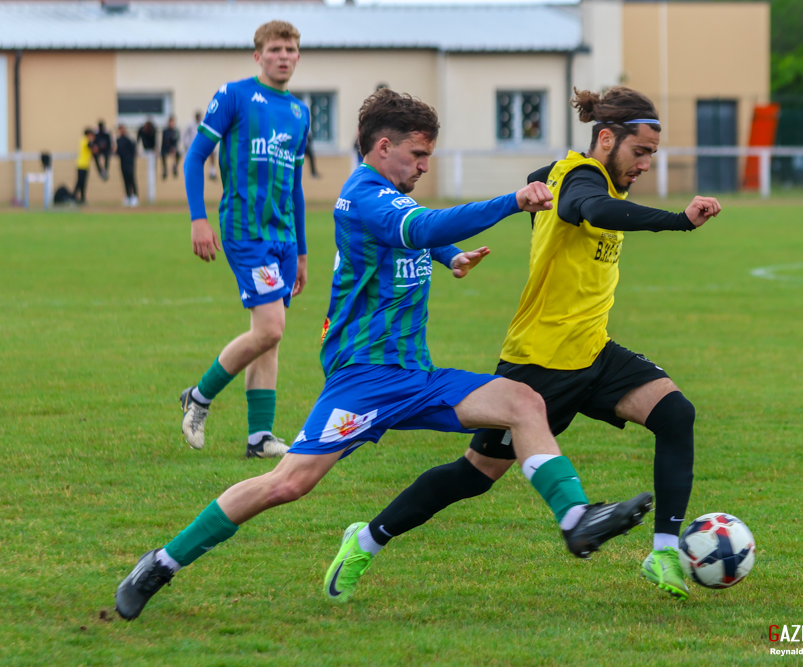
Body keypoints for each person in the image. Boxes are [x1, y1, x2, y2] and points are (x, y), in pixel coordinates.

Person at [114, 87, 652, 620]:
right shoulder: (362, 196)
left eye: (428, 156)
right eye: (417, 155)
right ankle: (161, 562)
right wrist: (511, 202)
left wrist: (450, 258)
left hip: (415, 375)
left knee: (524, 402)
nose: (423, 166)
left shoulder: (391, 191)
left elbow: (417, 228)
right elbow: (416, 225)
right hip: (364, 379)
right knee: (288, 484)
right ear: (381, 149)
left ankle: (575, 518)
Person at [334, 86, 722, 603]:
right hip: (538, 360)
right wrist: (677, 220)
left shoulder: (576, 174)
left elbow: (550, 181)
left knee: (676, 413)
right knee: (473, 476)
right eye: (640, 151)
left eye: (653, 153)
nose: (647, 163)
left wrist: (543, 183)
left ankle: (664, 552)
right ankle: (365, 539)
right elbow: (589, 207)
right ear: (606, 139)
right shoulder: (585, 182)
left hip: (594, 351)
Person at [167, 21, 310, 460]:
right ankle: (200, 396)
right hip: (245, 230)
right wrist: (198, 218)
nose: (284, 56)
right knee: (270, 327)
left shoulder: (300, 112)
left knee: (270, 336)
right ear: (258, 56)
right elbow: (195, 158)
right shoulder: (234, 95)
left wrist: (302, 250)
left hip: (284, 237)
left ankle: (259, 437)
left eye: (290, 49)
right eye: (275, 49)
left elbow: (296, 185)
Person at [183, 111, 217, 180]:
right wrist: (186, 144)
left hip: (202, 145)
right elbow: (184, 134)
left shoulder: (203, 123)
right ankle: (193, 173)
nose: (198, 118)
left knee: (212, 154)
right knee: (194, 159)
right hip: (193, 146)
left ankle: (212, 172)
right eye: (197, 116)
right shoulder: (190, 124)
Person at [116, 124, 138, 206]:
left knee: (131, 179)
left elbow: (133, 151)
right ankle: (128, 196)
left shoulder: (128, 140)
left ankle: (134, 196)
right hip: (123, 163)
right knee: (125, 180)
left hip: (129, 163)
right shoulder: (118, 140)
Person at [73, 128, 96, 204]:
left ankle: (82, 198)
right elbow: (91, 147)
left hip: (85, 165)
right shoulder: (84, 140)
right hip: (81, 165)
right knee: (80, 182)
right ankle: (74, 196)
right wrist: (92, 140)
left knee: (83, 183)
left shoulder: (85, 140)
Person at [161, 116, 180, 180]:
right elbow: (165, 141)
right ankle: (165, 169)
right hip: (166, 148)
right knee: (163, 154)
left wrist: (174, 148)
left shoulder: (176, 131)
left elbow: (176, 140)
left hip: (173, 148)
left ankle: (175, 167)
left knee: (178, 154)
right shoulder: (166, 131)